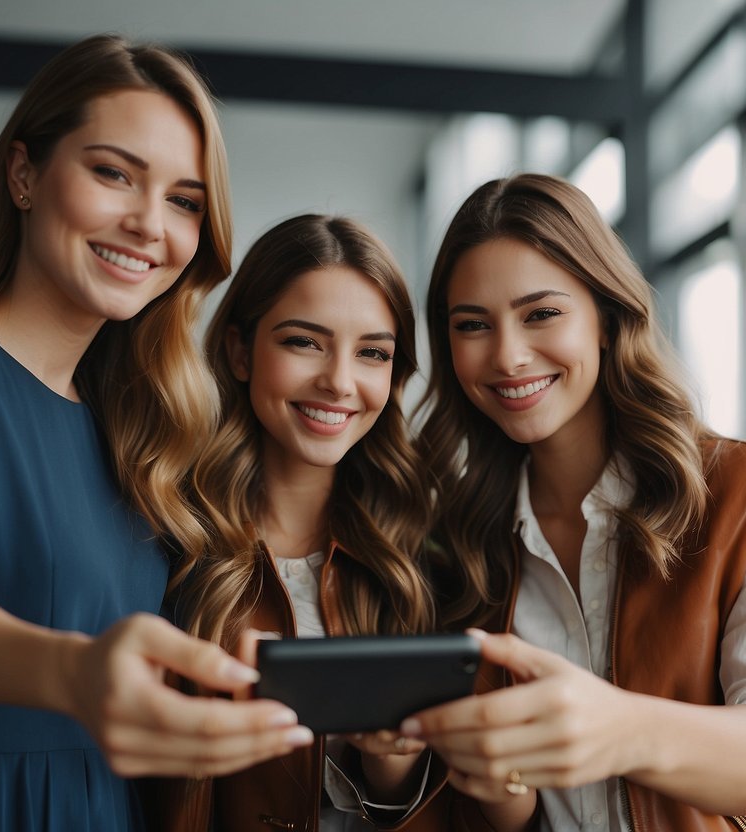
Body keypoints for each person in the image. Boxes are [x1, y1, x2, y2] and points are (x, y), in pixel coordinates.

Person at [0, 35, 313, 832]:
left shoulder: (141, 424)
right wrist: (78, 673)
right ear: (23, 175)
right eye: (114, 173)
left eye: (183, 200)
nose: (149, 224)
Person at [403, 173, 746, 829]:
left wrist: (618, 727)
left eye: (541, 314)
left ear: (607, 320)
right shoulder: (462, 535)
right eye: (472, 325)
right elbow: (511, 805)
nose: (507, 355)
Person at [148, 214, 535, 831]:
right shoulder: (165, 539)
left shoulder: (422, 558)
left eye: (373, 353)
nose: (339, 382)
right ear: (241, 351)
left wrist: (391, 763)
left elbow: (461, 809)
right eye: (304, 341)